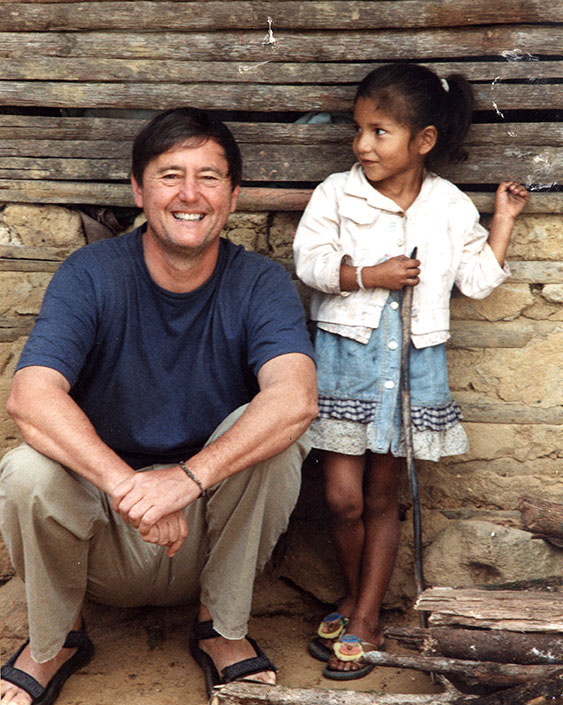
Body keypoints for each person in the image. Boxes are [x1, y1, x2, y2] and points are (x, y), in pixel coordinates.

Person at [0, 107, 318, 705]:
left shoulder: (259, 281)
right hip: (106, 535)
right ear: (139, 189)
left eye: (210, 177)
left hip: (208, 539)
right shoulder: (91, 274)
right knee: (27, 471)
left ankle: (221, 627)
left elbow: (296, 397)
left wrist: (188, 480)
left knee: (276, 436)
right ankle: (57, 639)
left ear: (234, 193)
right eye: (171, 175)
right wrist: (132, 487)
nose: (190, 194)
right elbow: (30, 395)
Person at [293, 63, 529, 681]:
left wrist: (501, 221)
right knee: (341, 499)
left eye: (379, 132)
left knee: (380, 496)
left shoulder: (449, 206)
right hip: (347, 362)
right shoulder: (337, 194)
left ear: (422, 140)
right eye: (359, 129)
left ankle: (365, 616)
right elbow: (308, 262)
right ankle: (356, 596)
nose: (362, 144)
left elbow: (475, 281)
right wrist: (369, 275)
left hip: (410, 367)